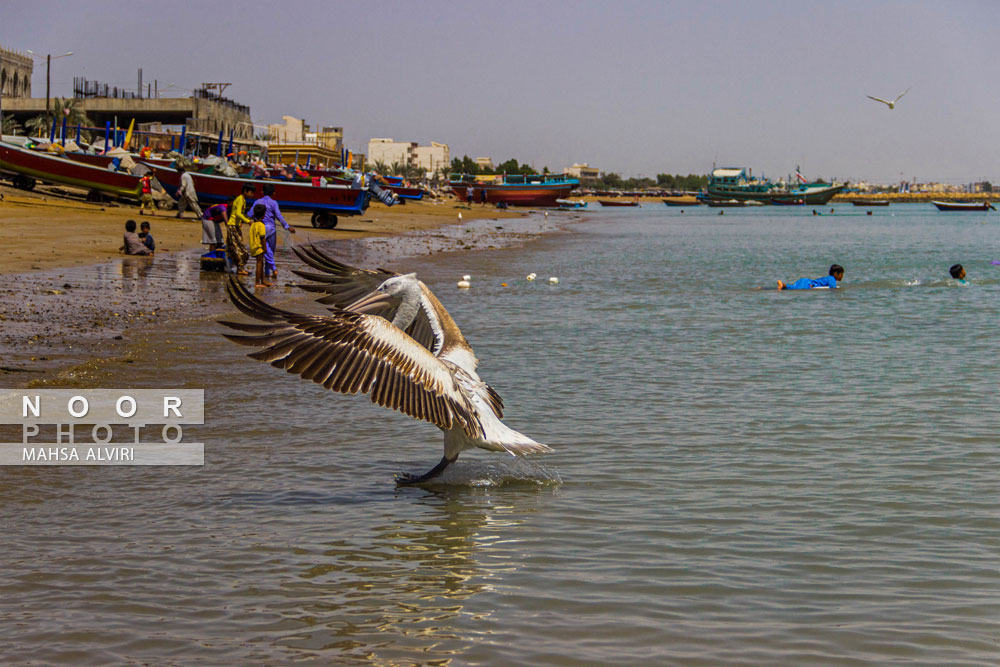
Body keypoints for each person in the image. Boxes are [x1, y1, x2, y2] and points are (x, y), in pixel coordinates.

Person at [254, 183, 295, 281]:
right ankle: (272, 269)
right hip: (271, 229)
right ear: (274, 193)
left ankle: (268, 272)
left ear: (262, 192)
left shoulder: (257, 201)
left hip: (260, 228)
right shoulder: (274, 203)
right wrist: (286, 226)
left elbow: (251, 213)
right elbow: (279, 216)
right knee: (270, 250)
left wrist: (251, 223)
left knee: (266, 250)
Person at [226, 184, 253, 275]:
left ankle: (240, 268)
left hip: (236, 226)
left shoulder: (242, 200)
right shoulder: (240, 199)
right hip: (233, 225)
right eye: (251, 192)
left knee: (238, 248)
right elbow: (238, 213)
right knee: (239, 248)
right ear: (245, 191)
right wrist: (247, 221)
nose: (252, 195)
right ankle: (240, 268)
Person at [248, 203, 270, 287]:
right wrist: (265, 248)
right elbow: (262, 238)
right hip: (259, 247)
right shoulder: (261, 225)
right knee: (259, 263)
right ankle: (257, 282)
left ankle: (263, 280)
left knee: (261, 263)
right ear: (264, 215)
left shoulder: (253, 224)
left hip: (253, 246)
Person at [778, 264, 844, 290]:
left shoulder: (828, 278)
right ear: (836, 274)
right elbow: (833, 288)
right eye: (841, 274)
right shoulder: (832, 279)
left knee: (792, 287)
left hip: (805, 281)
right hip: (808, 283)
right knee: (795, 289)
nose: (842, 276)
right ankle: (781, 284)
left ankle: (782, 284)